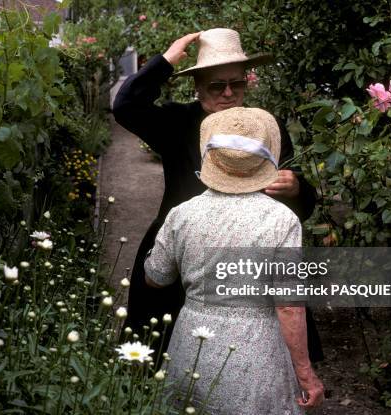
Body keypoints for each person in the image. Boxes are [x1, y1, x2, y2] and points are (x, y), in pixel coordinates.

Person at [113, 28, 323, 362]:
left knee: (245, 356)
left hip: (248, 258)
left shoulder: (267, 126)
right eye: (216, 85)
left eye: (236, 84)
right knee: (166, 351)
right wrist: (166, 60)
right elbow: (125, 107)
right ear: (197, 87)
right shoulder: (177, 123)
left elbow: (298, 206)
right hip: (182, 253)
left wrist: (296, 188)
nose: (228, 93)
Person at [144, 107, 324, 414]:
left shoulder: (182, 214)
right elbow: (288, 304)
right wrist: (306, 374)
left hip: (192, 345)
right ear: (266, 158)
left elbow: (156, 277)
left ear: (211, 157)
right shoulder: (281, 219)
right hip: (257, 352)